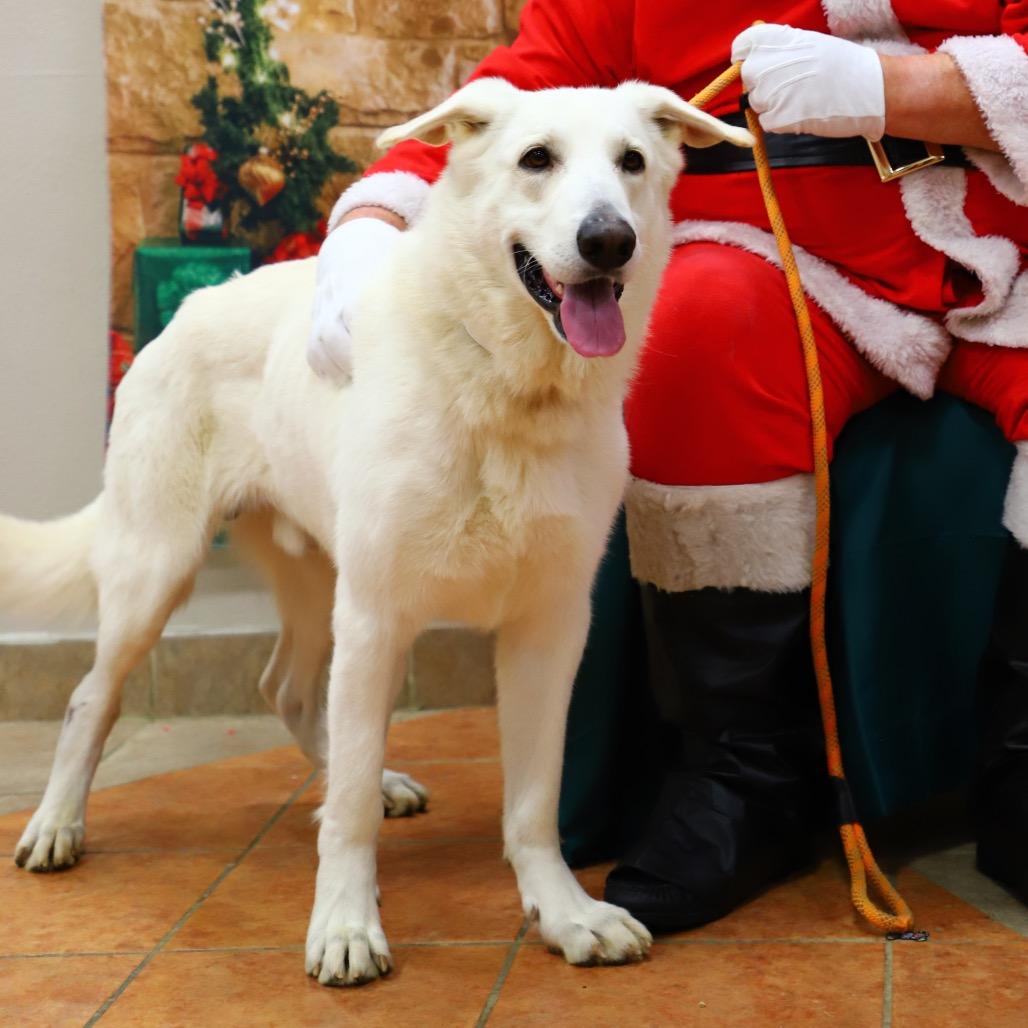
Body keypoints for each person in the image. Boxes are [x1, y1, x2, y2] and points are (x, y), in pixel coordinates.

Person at [308, 0, 1028, 932]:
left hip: (1002, 256)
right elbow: (516, 101)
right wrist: (369, 221)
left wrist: (893, 88)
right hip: (780, 258)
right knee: (694, 335)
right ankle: (743, 772)